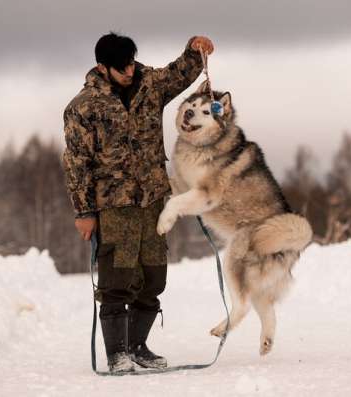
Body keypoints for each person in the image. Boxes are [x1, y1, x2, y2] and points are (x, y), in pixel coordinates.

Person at [62, 32, 214, 373]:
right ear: (103, 67)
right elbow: (76, 164)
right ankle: (117, 353)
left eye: (131, 62)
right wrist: (84, 212)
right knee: (117, 281)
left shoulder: (150, 85)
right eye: (121, 67)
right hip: (114, 206)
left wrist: (195, 49)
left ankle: (137, 346)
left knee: (153, 279)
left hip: (153, 201)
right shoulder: (83, 107)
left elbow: (180, 72)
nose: (130, 71)